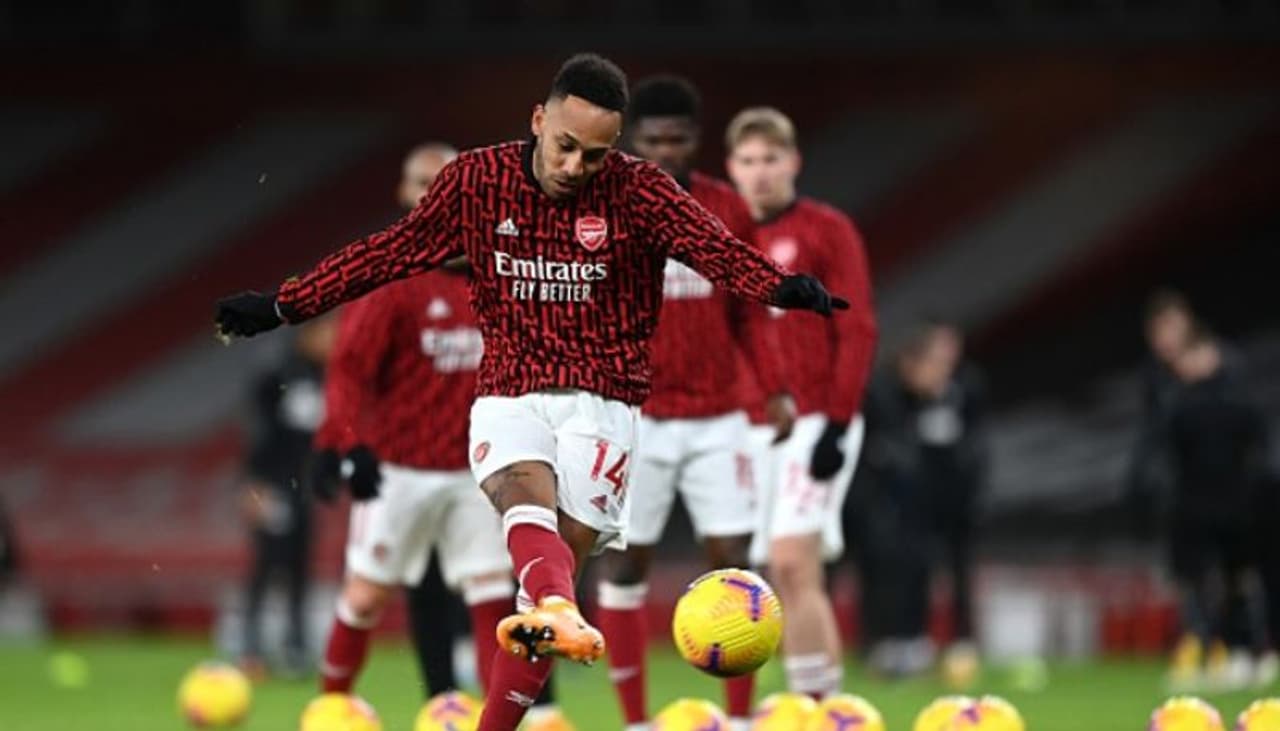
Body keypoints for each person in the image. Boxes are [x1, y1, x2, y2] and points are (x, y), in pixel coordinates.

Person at [214, 53, 847, 731]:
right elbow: (388, 252)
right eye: (565, 145)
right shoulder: (477, 181)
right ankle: (556, 609)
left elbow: (713, 247)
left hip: (604, 403)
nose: (575, 167)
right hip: (510, 391)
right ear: (539, 120)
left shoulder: (640, 190)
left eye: (595, 155)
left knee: (544, 592)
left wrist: (780, 286)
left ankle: (546, 623)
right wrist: (283, 305)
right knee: (522, 498)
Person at [595, 75, 792, 731]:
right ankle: (635, 721)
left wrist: (772, 387)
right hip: (636, 417)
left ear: (695, 141)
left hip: (718, 417)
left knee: (735, 564)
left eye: (676, 140)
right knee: (626, 564)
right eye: (652, 141)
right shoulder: (605, 208)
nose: (664, 152)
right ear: (633, 141)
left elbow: (750, 312)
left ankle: (740, 720)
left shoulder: (726, 208)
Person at [726, 106, 877, 699]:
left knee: (794, 561)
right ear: (731, 168)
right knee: (768, 573)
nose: (760, 172)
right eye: (748, 160)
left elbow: (857, 328)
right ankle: (802, 701)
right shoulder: (722, 237)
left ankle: (819, 709)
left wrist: (837, 424)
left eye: (770, 158)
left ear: (794, 161)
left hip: (815, 418)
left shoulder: (827, 230)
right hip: (747, 424)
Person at [848, 320, 986, 683]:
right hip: (883, 501)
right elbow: (880, 450)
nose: (943, 368)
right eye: (935, 360)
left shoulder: (964, 387)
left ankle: (935, 642)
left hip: (943, 501)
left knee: (934, 567)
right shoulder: (883, 393)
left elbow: (972, 448)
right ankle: (884, 643)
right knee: (885, 569)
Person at [1162, 328, 1269, 691]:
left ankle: (1248, 651)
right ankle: (1210, 652)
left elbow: (1258, 450)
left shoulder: (1236, 401)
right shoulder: (1179, 405)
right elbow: (1172, 459)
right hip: (1196, 510)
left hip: (1235, 509)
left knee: (1239, 582)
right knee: (1201, 585)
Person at [240, 315, 335, 678]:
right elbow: (259, 434)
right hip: (272, 484)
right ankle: (251, 645)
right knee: (267, 563)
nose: (332, 339)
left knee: (299, 564)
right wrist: (254, 484)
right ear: (306, 335)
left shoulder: (328, 377)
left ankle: (295, 645)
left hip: (303, 487)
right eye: (326, 332)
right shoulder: (277, 375)